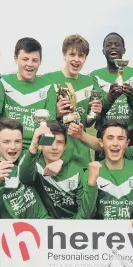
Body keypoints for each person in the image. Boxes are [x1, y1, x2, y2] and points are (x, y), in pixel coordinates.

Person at [0, 37, 57, 149]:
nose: (30, 64)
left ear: (40, 62)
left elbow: (49, 126)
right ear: (16, 59)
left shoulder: (48, 87)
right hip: (7, 150)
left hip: (36, 151)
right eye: (25, 59)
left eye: (35, 60)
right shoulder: (3, 81)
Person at [82, 120, 133, 228]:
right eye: (109, 138)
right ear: (101, 142)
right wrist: (91, 183)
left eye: (120, 138)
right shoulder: (91, 171)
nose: (115, 143)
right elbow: (85, 215)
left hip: (130, 234)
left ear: (127, 143)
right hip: (99, 236)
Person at [19, 121, 98, 219]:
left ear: (65, 147)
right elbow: (24, 179)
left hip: (74, 228)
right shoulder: (35, 164)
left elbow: (85, 213)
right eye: (49, 142)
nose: (54, 147)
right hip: (45, 225)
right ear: (41, 145)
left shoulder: (77, 172)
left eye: (60, 142)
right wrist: (34, 144)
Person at [45, 34, 101, 168]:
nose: (76, 60)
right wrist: (56, 113)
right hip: (55, 152)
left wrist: (94, 113)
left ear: (85, 58)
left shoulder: (90, 82)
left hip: (81, 153)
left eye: (81, 56)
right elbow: (40, 118)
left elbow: (86, 123)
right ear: (64, 55)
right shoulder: (48, 80)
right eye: (72, 54)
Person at [0, 118, 51, 220]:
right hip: (12, 232)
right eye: (6, 142)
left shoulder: (29, 156)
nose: (13, 147)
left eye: (17, 141)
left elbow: (58, 149)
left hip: (42, 224)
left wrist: (59, 162)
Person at [90, 32, 133, 160]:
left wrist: (132, 99)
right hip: (104, 135)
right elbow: (96, 111)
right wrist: (109, 98)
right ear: (103, 51)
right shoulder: (95, 75)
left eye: (117, 44)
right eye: (109, 45)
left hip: (128, 135)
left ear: (124, 50)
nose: (113, 47)